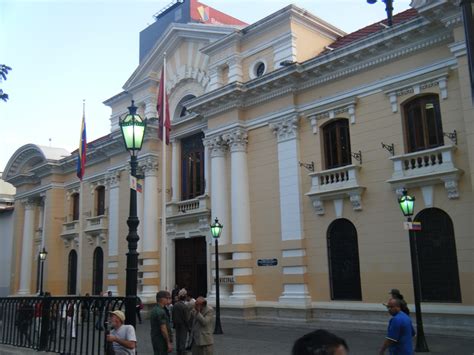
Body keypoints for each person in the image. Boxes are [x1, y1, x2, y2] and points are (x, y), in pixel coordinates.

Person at [172, 289, 190, 355]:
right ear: (185, 297)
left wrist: (174, 323)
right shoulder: (184, 306)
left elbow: (173, 315)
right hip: (183, 325)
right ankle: (182, 351)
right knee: (183, 338)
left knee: (178, 337)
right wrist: (188, 326)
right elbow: (186, 317)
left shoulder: (175, 305)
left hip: (177, 324)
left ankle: (178, 350)